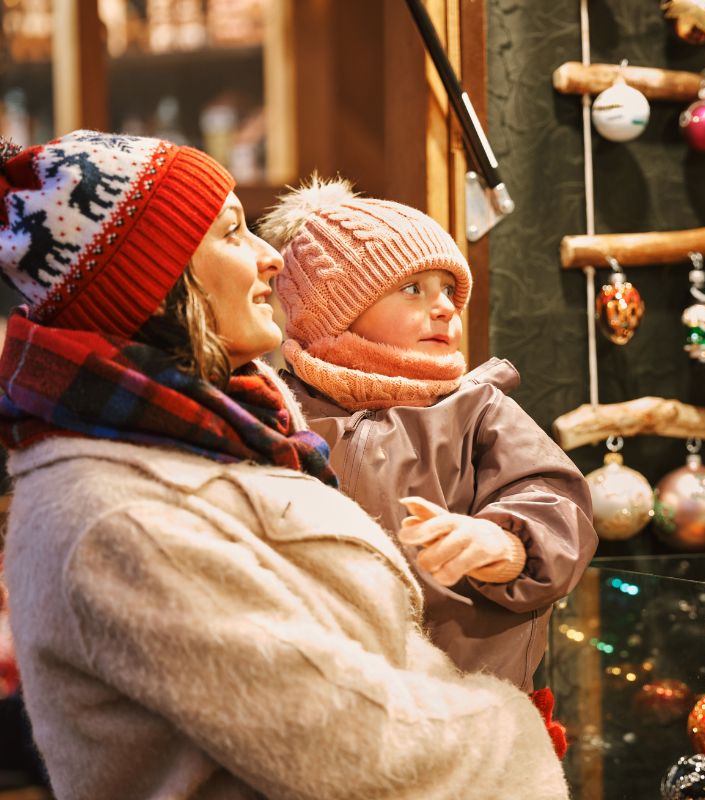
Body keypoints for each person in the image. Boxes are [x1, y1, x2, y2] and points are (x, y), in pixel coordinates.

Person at [0, 131, 568, 800]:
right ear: (158, 281)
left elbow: (548, 499)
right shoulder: (123, 516)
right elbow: (351, 746)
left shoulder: (233, 437)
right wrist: (514, 733)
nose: (272, 259)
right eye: (233, 233)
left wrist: (507, 542)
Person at [256, 178, 597, 693]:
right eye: (413, 289)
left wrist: (507, 542)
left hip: (468, 702)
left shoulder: (476, 408)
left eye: (449, 292)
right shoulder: (277, 410)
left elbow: (553, 500)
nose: (444, 308)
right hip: (312, 696)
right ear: (335, 311)